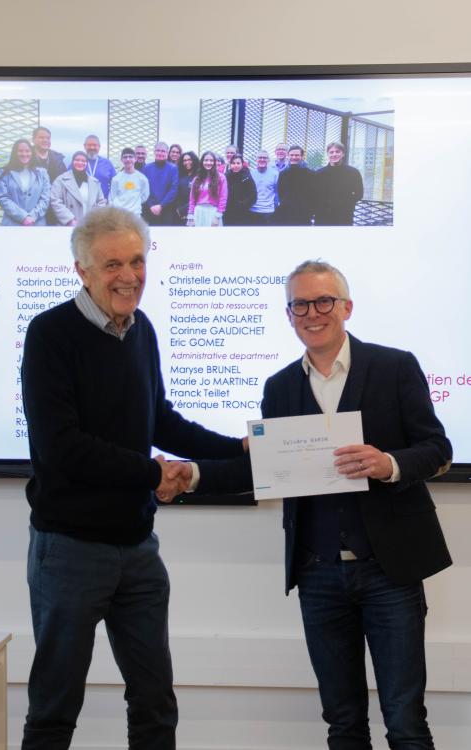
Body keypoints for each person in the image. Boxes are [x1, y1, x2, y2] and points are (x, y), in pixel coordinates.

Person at [184, 259, 453, 750]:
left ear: (346, 307)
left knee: (405, 721)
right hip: (318, 574)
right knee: (342, 722)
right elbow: (260, 467)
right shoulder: (279, 387)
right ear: (289, 315)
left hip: (390, 570)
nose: (312, 313)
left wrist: (388, 463)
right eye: (300, 305)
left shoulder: (395, 367)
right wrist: (192, 475)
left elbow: (438, 449)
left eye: (324, 301)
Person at [20, 206, 246, 750]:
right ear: (82, 271)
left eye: (138, 261)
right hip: (70, 550)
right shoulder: (50, 334)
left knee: (155, 704)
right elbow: (62, 447)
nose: (129, 276)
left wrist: (237, 451)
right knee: (54, 708)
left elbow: (159, 418)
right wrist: (151, 472)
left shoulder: (141, 328)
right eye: (113, 265)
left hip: (138, 549)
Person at [0, 139, 50, 226]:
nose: (24, 154)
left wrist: (32, 217)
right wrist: (23, 217)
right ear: (15, 153)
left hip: (36, 223)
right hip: (12, 224)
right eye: (20, 151)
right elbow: (3, 198)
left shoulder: (42, 173)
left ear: (32, 153)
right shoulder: (3, 173)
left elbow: (45, 199)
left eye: (27, 151)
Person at [314, 141, 364, 225]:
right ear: (328, 154)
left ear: (343, 154)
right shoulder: (319, 173)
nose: (334, 154)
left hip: (344, 215)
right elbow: (314, 194)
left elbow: (359, 193)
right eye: (331, 152)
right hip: (323, 216)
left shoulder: (353, 173)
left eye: (337, 151)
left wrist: (347, 205)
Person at [50, 151, 106, 226]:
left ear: (87, 163)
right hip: (67, 225)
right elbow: (55, 201)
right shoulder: (60, 180)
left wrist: (94, 219)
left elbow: (101, 202)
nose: (80, 163)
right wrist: (69, 220)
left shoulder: (94, 182)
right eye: (77, 160)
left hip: (89, 225)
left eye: (83, 161)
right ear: (72, 162)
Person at [30, 126, 67, 225]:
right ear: (33, 140)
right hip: (32, 208)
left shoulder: (58, 159)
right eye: (41, 137)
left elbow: (65, 181)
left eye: (48, 138)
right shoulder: (26, 157)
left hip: (53, 207)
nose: (45, 140)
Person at [187, 150, 227, 226]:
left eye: (211, 160)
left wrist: (217, 216)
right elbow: (192, 199)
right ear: (202, 162)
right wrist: (191, 216)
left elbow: (223, 198)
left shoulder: (221, 178)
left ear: (214, 162)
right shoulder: (197, 179)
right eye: (206, 160)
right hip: (198, 212)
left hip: (213, 212)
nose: (208, 163)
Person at [276, 145, 314, 225]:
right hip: (286, 213)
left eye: (297, 155)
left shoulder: (310, 174)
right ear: (288, 156)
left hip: (303, 214)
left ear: (302, 156)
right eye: (292, 155)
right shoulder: (283, 174)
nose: (294, 157)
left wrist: (310, 212)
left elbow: (312, 194)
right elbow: (280, 193)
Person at [143, 142, 178, 225]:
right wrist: (151, 205)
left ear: (167, 153)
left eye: (163, 151)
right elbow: (144, 189)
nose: (160, 153)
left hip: (167, 209)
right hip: (150, 209)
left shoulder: (173, 168)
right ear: (154, 152)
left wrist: (161, 205)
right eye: (158, 150)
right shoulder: (146, 168)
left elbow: (173, 189)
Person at [109, 147, 150, 216]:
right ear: (121, 160)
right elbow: (112, 197)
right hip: (119, 215)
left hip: (135, 215)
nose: (128, 159)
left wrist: (135, 203)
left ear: (135, 159)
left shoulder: (142, 179)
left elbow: (145, 196)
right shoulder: (116, 179)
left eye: (130, 157)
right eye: (125, 157)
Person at [224, 154, 257, 225]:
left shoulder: (247, 177)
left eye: (238, 163)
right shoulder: (226, 176)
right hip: (228, 213)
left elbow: (253, 196)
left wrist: (242, 205)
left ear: (242, 164)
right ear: (230, 164)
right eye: (233, 163)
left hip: (243, 213)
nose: (236, 165)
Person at [248, 150, 279, 225]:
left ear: (268, 160)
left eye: (265, 158)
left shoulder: (275, 174)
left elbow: (277, 192)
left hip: (269, 212)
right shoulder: (250, 174)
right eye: (260, 157)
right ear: (256, 159)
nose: (262, 159)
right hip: (253, 211)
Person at [83, 134, 116, 200]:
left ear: (99, 147)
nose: (92, 147)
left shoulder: (107, 163)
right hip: (83, 203)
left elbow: (115, 184)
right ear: (84, 146)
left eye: (95, 145)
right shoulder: (78, 162)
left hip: (103, 203)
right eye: (89, 145)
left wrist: (110, 199)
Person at [175, 150, 200, 225]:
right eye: (184, 160)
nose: (187, 162)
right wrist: (178, 210)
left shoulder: (199, 176)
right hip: (179, 214)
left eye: (189, 160)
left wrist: (184, 209)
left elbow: (199, 197)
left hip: (194, 212)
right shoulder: (179, 175)